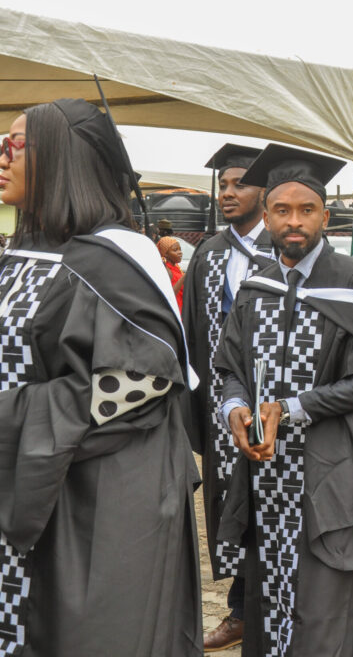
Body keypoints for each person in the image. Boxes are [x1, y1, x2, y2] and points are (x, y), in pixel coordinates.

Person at [0, 99, 202, 655]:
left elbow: (140, 381)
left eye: (17, 144)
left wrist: (11, 418)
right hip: (22, 478)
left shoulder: (113, 261)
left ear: (63, 158)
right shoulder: (23, 253)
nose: (3, 156)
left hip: (96, 496)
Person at [216, 143, 353, 656]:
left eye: (306, 210)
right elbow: (230, 368)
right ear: (266, 217)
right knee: (271, 595)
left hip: (333, 469)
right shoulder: (256, 287)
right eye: (282, 210)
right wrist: (234, 408)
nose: (294, 221)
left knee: (325, 605)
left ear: (325, 217)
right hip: (266, 474)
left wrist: (289, 409)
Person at [180, 143, 274, 652]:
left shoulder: (286, 244)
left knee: (273, 500)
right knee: (231, 505)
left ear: (265, 189)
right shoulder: (209, 253)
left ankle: (274, 607)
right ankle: (241, 610)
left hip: (276, 404)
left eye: (240, 183)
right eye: (224, 184)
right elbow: (191, 333)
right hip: (222, 405)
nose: (228, 192)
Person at [158, 235, 186, 311]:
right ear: (165, 254)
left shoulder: (176, 267)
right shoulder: (166, 270)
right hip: (175, 309)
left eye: (180, 249)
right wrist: (184, 277)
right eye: (175, 250)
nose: (180, 252)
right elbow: (171, 295)